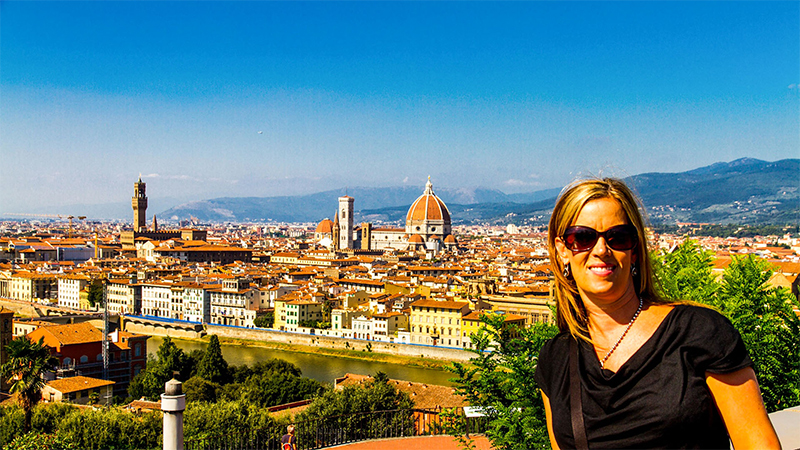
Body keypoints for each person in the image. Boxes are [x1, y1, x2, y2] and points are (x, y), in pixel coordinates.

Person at [534, 177, 780, 449]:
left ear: (635, 249)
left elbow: (758, 443)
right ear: (562, 251)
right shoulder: (555, 359)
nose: (601, 250)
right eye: (583, 237)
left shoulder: (701, 333)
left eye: (618, 237)